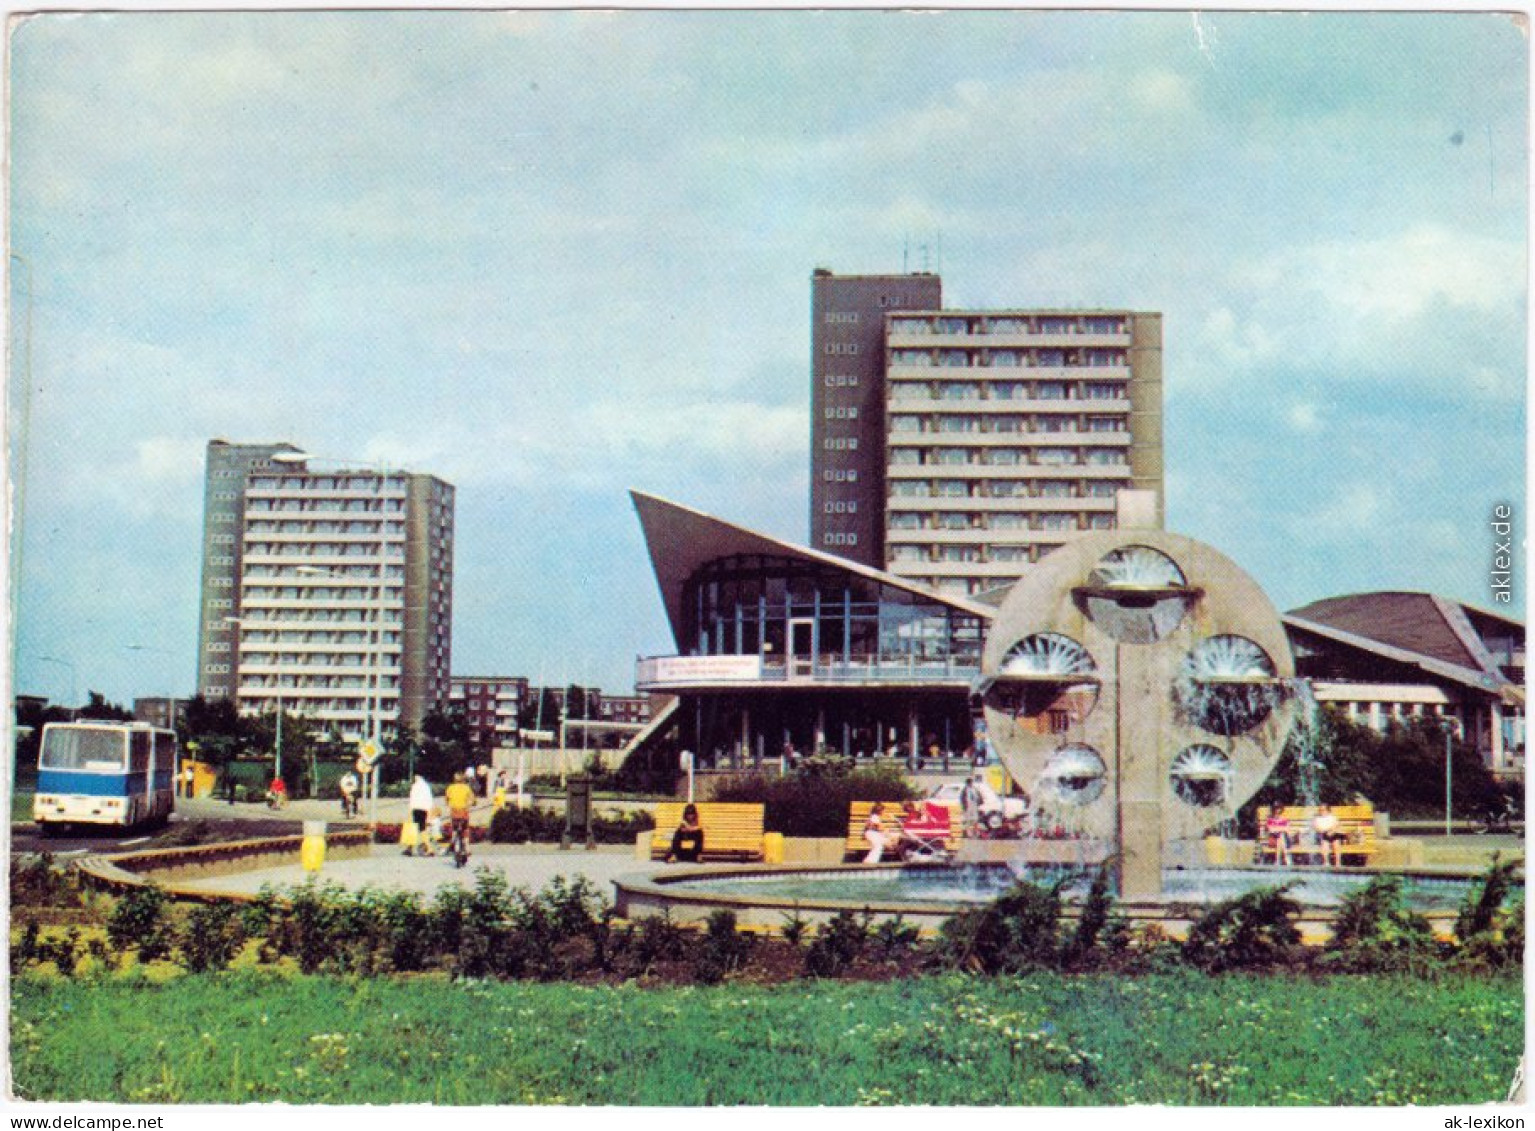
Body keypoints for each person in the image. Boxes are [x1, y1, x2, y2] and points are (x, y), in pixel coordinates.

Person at [444, 771, 475, 863]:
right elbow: (472, 799)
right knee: (465, 830)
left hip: (454, 812)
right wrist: (470, 804)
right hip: (464, 812)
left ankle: (452, 845)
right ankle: (467, 849)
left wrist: (449, 804)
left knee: (454, 829)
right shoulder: (466, 788)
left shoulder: (450, 788)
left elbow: (446, 799)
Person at [407, 774, 436, 857]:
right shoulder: (426, 786)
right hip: (425, 809)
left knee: (419, 829)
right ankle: (409, 847)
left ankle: (429, 848)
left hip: (417, 808)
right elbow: (429, 799)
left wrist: (410, 809)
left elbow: (412, 799)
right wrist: (430, 811)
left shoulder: (415, 786)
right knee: (420, 828)